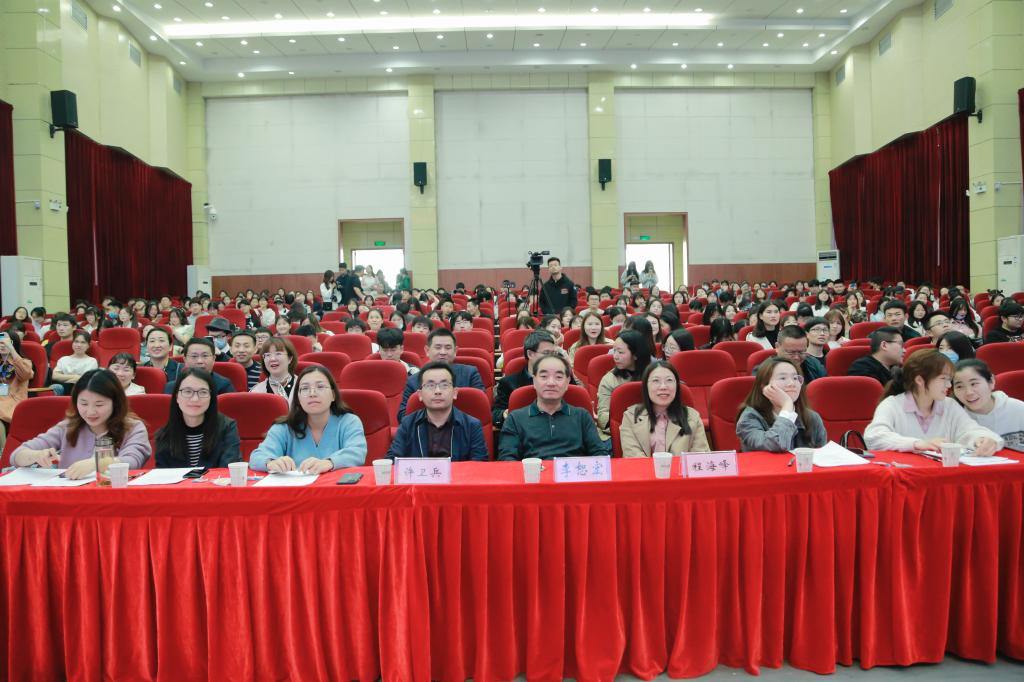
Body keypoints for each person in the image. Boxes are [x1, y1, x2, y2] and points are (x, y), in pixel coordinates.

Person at [11, 368, 151, 478]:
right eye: (83, 403)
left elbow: (133, 461)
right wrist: (35, 456)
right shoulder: (67, 427)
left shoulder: (133, 428)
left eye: (99, 404)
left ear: (115, 403)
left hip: (113, 497)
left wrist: (97, 464)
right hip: (69, 498)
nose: (90, 412)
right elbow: (16, 455)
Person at [864, 349, 1002, 454]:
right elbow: (873, 437)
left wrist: (982, 439)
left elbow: (969, 430)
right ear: (920, 380)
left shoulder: (949, 405)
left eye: (949, 379)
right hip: (904, 477)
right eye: (943, 379)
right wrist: (917, 444)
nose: (949, 385)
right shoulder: (892, 404)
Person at [249, 366, 367, 473]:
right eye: (305, 388)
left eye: (320, 387)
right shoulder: (284, 427)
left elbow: (357, 452)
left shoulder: (349, 421)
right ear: (298, 397)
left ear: (333, 395)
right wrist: (271, 462)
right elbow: (257, 457)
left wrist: (329, 462)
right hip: (295, 489)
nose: (312, 393)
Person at [498, 354, 610, 460]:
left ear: (567, 382)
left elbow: (600, 455)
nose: (551, 383)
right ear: (534, 381)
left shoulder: (582, 416)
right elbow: (507, 460)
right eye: (544, 376)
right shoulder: (515, 419)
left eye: (558, 377)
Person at [386, 362, 488, 461]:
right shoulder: (407, 424)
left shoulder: (472, 426)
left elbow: (479, 465)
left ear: (455, 393)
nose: (437, 391)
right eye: (430, 385)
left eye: (444, 385)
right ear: (420, 395)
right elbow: (392, 461)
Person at [736, 358, 827, 452]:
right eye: (783, 378)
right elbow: (777, 445)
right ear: (764, 386)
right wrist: (787, 406)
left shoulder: (812, 418)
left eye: (795, 378)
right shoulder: (749, 418)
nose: (792, 384)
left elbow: (822, 456)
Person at [155, 369, 241, 468]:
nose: (195, 399)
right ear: (177, 397)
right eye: (188, 391)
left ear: (211, 397)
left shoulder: (227, 428)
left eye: (203, 392)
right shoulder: (164, 435)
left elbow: (228, 470)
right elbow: (163, 474)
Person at [620, 361, 709, 457]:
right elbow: (632, 457)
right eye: (656, 381)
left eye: (669, 380)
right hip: (643, 467)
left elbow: (700, 458)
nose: (663, 386)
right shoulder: (631, 417)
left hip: (681, 468)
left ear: (677, 385)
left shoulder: (693, 417)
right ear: (646, 386)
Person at [397, 328, 485, 418]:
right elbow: (403, 415)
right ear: (427, 350)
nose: (443, 352)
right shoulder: (413, 381)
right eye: (438, 347)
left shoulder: (470, 373)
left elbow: (480, 407)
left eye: (448, 348)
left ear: (455, 351)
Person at [493, 330, 560, 429]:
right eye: (546, 353)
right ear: (530, 354)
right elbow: (495, 415)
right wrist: (504, 414)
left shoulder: (562, 379)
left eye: (554, 353)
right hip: (522, 431)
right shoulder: (508, 383)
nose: (552, 358)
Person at [952, 359, 1024, 443]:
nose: (969, 392)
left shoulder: (1019, 409)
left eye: (974, 384)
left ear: (991, 381)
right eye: (959, 386)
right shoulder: (955, 418)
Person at [597, 330, 653, 435]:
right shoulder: (610, 379)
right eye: (614, 351)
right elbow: (603, 417)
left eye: (621, 352)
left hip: (654, 428)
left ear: (636, 354)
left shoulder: (655, 375)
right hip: (621, 431)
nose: (615, 356)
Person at [164, 338, 235, 395]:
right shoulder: (172, 388)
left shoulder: (224, 386)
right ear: (185, 360)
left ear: (213, 359)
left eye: (205, 356)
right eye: (194, 356)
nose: (199, 361)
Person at [0, 330, 33, 449]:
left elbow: (25, 373)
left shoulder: (24, 362)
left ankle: (4, 453)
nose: (3, 344)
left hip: (13, 400)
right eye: (0, 342)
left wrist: (11, 349)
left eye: (7, 342)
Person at [251, 337, 298, 403]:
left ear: (290, 358)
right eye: (268, 355)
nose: (272, 359)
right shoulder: (256, 392)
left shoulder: (303, 385)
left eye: (278, 354)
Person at [52, 330, 98, 395]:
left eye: (83, 342)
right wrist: (75, 377)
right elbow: (55, 376)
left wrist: (65, 378)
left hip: (82, 391)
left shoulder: (92, 361)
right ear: (72, 343)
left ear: (88, 345)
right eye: (76, 341)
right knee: (55, 387)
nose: (79, 345)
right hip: (63, 388)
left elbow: (86, 379)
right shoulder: (63, 359)